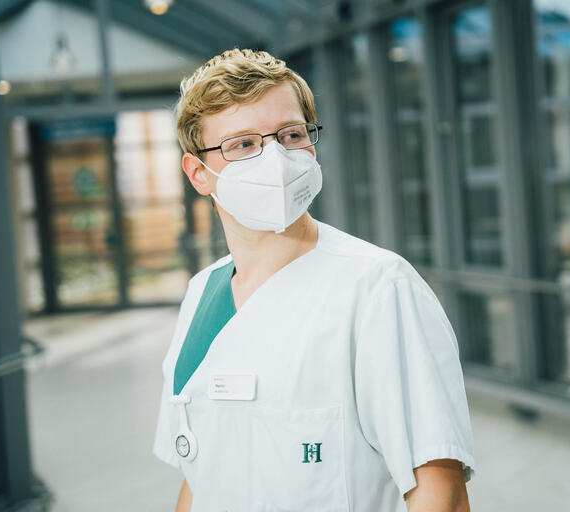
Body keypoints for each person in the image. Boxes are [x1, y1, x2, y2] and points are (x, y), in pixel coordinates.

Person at [153, 48, 476, 512]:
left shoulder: (378, 289)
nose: (275, 158)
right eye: (242, 144)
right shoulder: (202, 295)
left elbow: (440, 490)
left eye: (291, 135)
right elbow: (198, 476)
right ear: (198, 174)